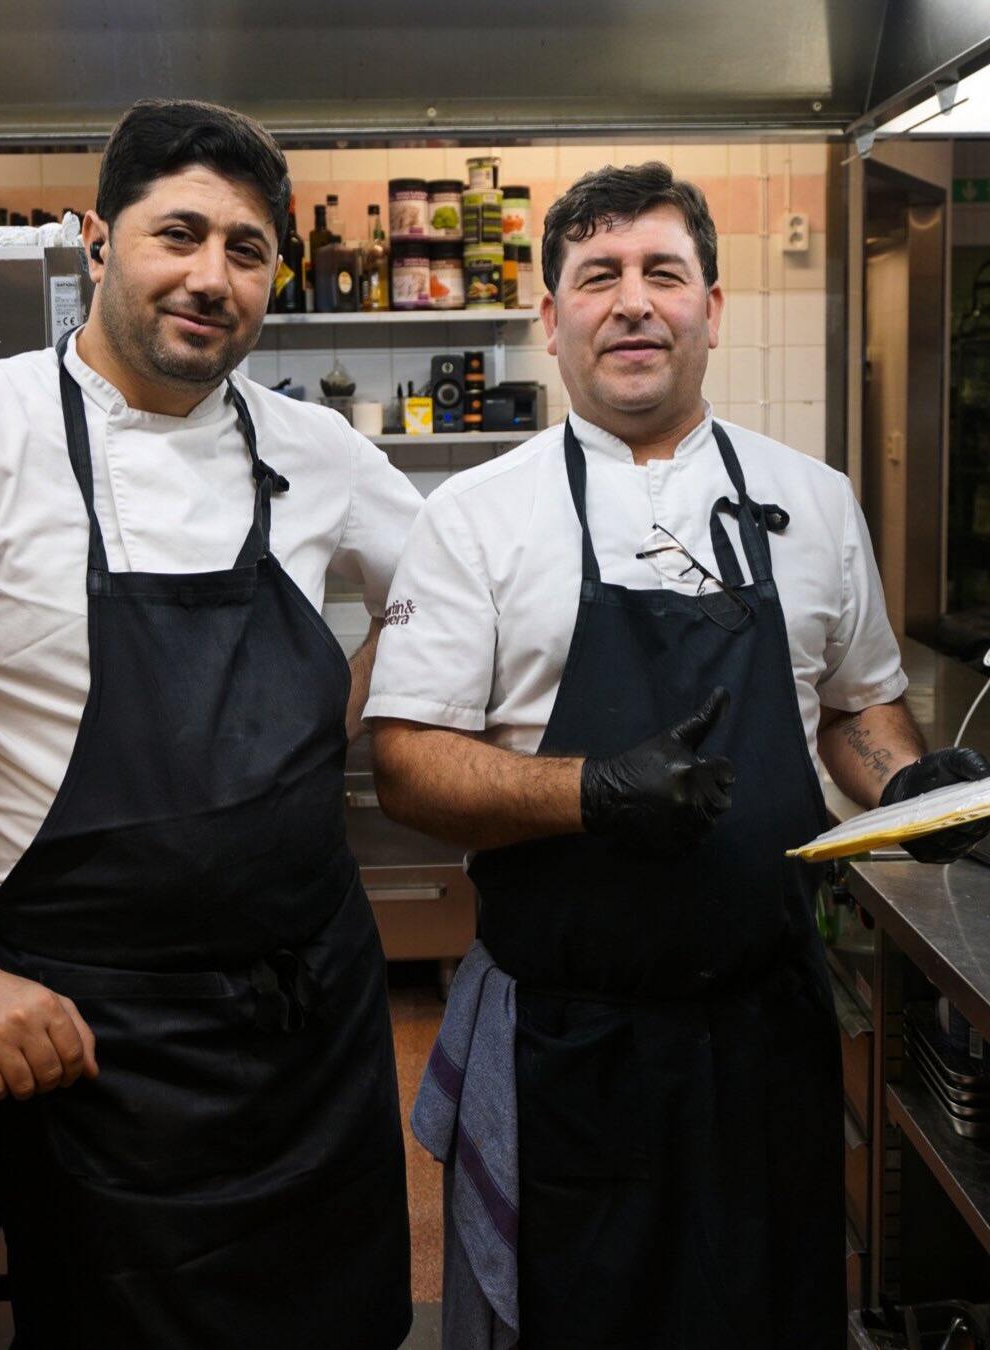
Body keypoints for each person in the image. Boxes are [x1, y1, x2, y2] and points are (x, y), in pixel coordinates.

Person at [364, 162, 990, 1350]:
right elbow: (407, 765)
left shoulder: (814, 501)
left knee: (771, 1314)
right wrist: (591, 793)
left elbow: (859, 708)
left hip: (770, 1031)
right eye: (598, 277)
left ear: (714, 306)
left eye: (665, 273)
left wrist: (904, 785)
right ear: (551, 319)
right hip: (568, 1042)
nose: (634, 302)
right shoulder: (477, 517)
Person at [0, 98, 421, 1350]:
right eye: (176, 235)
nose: (211, 278)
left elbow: (443, 603)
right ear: (98, 239)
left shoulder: (318, 450)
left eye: (247, 250)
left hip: (317, 1021)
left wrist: (337, 717)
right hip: (98, 1049)